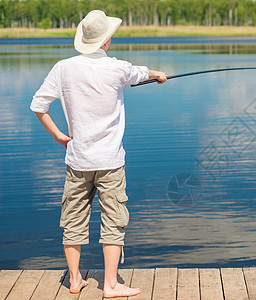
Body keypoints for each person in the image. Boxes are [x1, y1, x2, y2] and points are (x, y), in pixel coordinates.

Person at [30, 10, 167, 298]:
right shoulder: (118, 68)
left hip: (77, 160)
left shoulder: (63, 68)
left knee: (73, 220)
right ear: (106, 41)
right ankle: (111, 284)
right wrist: (158, 76)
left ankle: (76, 280)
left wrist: (57, 135)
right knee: (113, 221)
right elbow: (145, 73)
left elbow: (38, 105)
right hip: (110, 162)